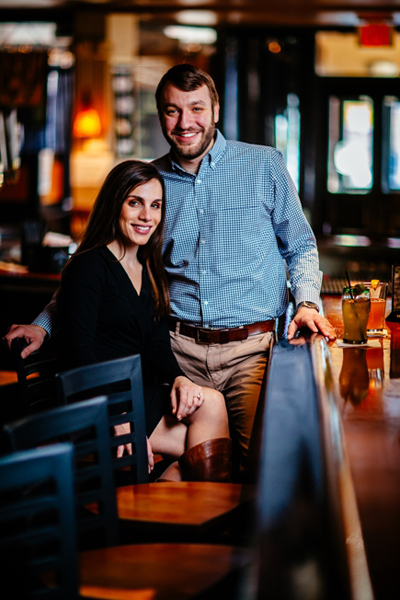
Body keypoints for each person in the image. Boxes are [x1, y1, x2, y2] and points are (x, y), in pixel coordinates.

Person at [6, 64, 335, 480]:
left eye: (196, 108)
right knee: (205, 466)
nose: (185, 123)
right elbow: (103, 271)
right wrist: (44, 325)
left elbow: (301, 246)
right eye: (172, 110)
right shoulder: (150, 186)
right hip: (174, 352)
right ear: (161, 114)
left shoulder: (263, 165)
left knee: (258, 475)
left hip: (251, 351)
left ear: (215, 110)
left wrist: (306, 302)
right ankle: (169, 537)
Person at [39, 160, 231, 482]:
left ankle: (169, 516)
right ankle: (191, 524)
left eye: (155, 205)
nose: (147, 216)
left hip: (139, 394)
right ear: (115, 204)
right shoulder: (88, 267)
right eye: (135, 203)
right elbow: (78, 352)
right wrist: (116, 413)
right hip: (99, 399)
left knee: (210, 411)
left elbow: (157, 343)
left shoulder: (148, 267)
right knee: (206, 449)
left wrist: (180, 378)